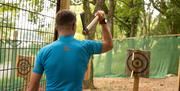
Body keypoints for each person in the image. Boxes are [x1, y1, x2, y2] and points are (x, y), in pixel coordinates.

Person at [27, 10, 113, 91]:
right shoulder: (86, 46)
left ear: (57, 27)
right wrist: (102, 21)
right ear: (73, 26)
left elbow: (32, 87)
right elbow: (109, 44)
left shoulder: (44, 51)